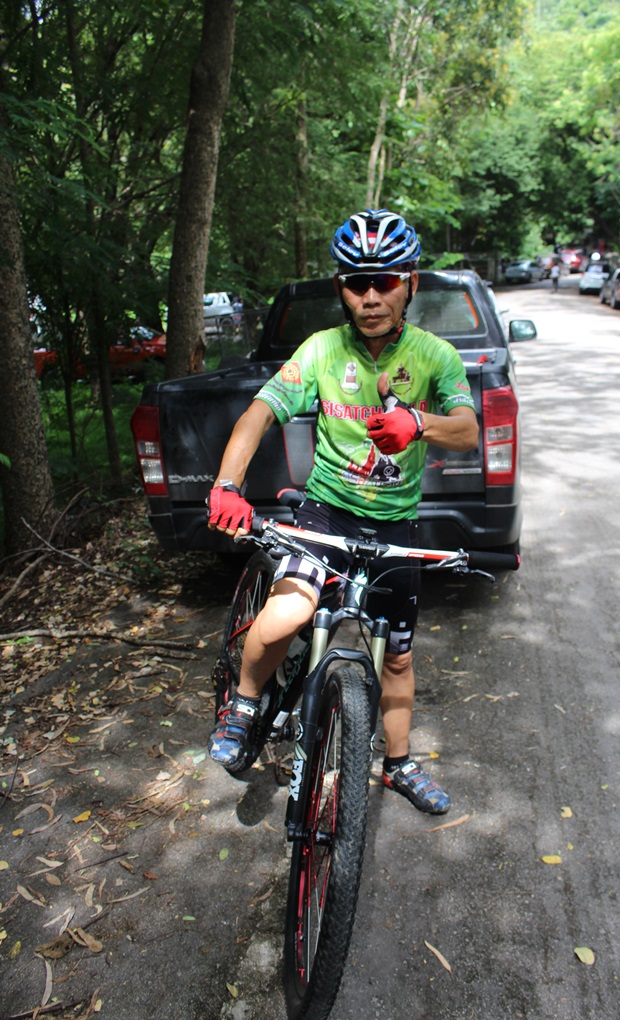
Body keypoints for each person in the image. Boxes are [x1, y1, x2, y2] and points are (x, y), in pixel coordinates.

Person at [206, 209, 479, 814]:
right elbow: (259, 413)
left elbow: (467, 430)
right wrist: (226, 484)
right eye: (357, 283)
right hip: (326, 513)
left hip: (395, 523)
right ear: (341, 288)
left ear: (410, 283)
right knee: (287, 613)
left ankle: (399, 763)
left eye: (384, 281)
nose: (371, 297)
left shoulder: (435, 356)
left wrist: (418, 423)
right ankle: (243, 704)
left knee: (398, 654)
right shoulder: (323, 350)